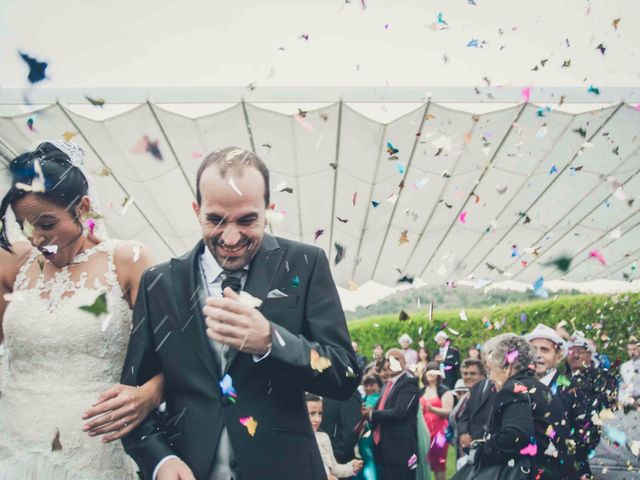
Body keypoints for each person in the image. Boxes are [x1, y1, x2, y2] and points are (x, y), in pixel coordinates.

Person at [120, 146, 360, 480]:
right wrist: (160, 461)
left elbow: (345, 375)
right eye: (215, 219)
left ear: (269, 210)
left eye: (247, 220)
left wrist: (271, 341)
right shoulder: (158, 283)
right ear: (196, 210)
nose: (230, 237)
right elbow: (135, 395)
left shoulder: (305, 264)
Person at [0, 141, 164, 479]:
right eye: (24, 225)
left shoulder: (128, 260)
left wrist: (149, 395)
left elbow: (179, 353)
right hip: (11, 444)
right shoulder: (14, 262)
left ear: (83, 208)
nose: (35, 239)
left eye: (46, 224)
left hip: (93, 450)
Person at [475, 333, 566, 480]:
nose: (490, 377)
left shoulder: (513, 389)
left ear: (508, 367)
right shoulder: (541, 388)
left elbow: (516, 435)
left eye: (491, 369)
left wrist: (483, 451)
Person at [524, 323, 579, 479]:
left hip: (559, 470)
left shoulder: (570, 387)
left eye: (545, 350)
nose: (538, 355)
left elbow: (581, 432)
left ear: (559, 356)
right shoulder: (519, 385)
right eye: (533, 350)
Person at [566, 333, 617, 478]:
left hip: (600, 448)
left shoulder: (604, 378)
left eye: (580, 351)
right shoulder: (562, 380)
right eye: (570, 351)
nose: (575, 356)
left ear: (590, 354)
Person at [363, 348, 419, 480]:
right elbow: (381, 410)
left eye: (397, 359)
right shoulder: (387, 386)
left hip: (400, 451)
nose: (392, 363)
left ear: (405, 363)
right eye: (389, 360)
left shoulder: (409, 384)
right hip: (383, 449)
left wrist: (371, 414)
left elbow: (400, 412)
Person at [307, 394, 364, 479]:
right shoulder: (294, 440)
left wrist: (351, 467)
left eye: (320, 414)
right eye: (312, 414)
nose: (317, 419)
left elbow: (334, 469)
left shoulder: (324, 437)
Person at [420, 361, 454, 480]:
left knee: (438, 463)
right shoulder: (421, 391)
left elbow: (448, 411)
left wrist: (432, 409)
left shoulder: (444, 391)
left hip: (439, 432)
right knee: (423, 462)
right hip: (424, 431)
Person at [449, 359, 485, 459]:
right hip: (461, 448)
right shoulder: (465, 397)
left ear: (482, 376)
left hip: (476, 448)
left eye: (473, 373)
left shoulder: (485, 396)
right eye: (465, 373)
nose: (468, 377)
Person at [321, 388, 362, 464]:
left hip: (338, 460)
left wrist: (337, 455)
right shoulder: (324, 391)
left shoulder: (346, 392)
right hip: (322, 456)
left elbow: (352, 429)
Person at [356, 375, 383, 480]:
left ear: (379, 386)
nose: (369, 388)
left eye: (372, 385)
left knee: (371, 461)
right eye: (366, 385)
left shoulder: (381, 399)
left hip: (375, 436)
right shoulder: (362, 399)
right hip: (363, 437)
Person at [618, 339, 640, 410]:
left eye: (634, 349)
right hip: (629, 399)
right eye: (630, 350)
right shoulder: (624, 366)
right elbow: (624, 385)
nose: (632, 352)